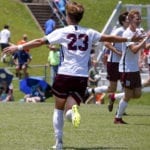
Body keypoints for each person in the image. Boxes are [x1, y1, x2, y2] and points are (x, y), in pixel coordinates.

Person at [3, 1, 143, 149]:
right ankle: (71, 113)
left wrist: (18, 47)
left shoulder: (63, 31)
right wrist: (129, 39)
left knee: (58, 109)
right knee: (70, 107)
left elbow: (40, 41)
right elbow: (109, 38)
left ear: (68, 17)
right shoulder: (89, 32)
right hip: (81, 76)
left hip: (64, 74)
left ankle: (59, 143)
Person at [113, 10, 150, 124]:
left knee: (137, 94)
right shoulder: (127, 33)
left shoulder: (139, 31)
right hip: (126, 67)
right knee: (128, 95)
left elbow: (144, 46)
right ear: (130, 20)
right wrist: (145, 38)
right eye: (136, 19)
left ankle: (114, 97)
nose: (139, 21)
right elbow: (134, 50)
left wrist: (147, 40)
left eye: (139, 18)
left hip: (134, 68)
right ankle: (118, 118)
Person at [104, 11, 129, 112]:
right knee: (113, 86)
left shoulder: (131, 32)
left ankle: (121, 108)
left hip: (125, 63)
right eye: (128, 19)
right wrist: (117, 52)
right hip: (113, 62)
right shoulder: (118, 31)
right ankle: (111, 101)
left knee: (126, 87)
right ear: (123, 22)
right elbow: (106, 43)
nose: (130, 20)